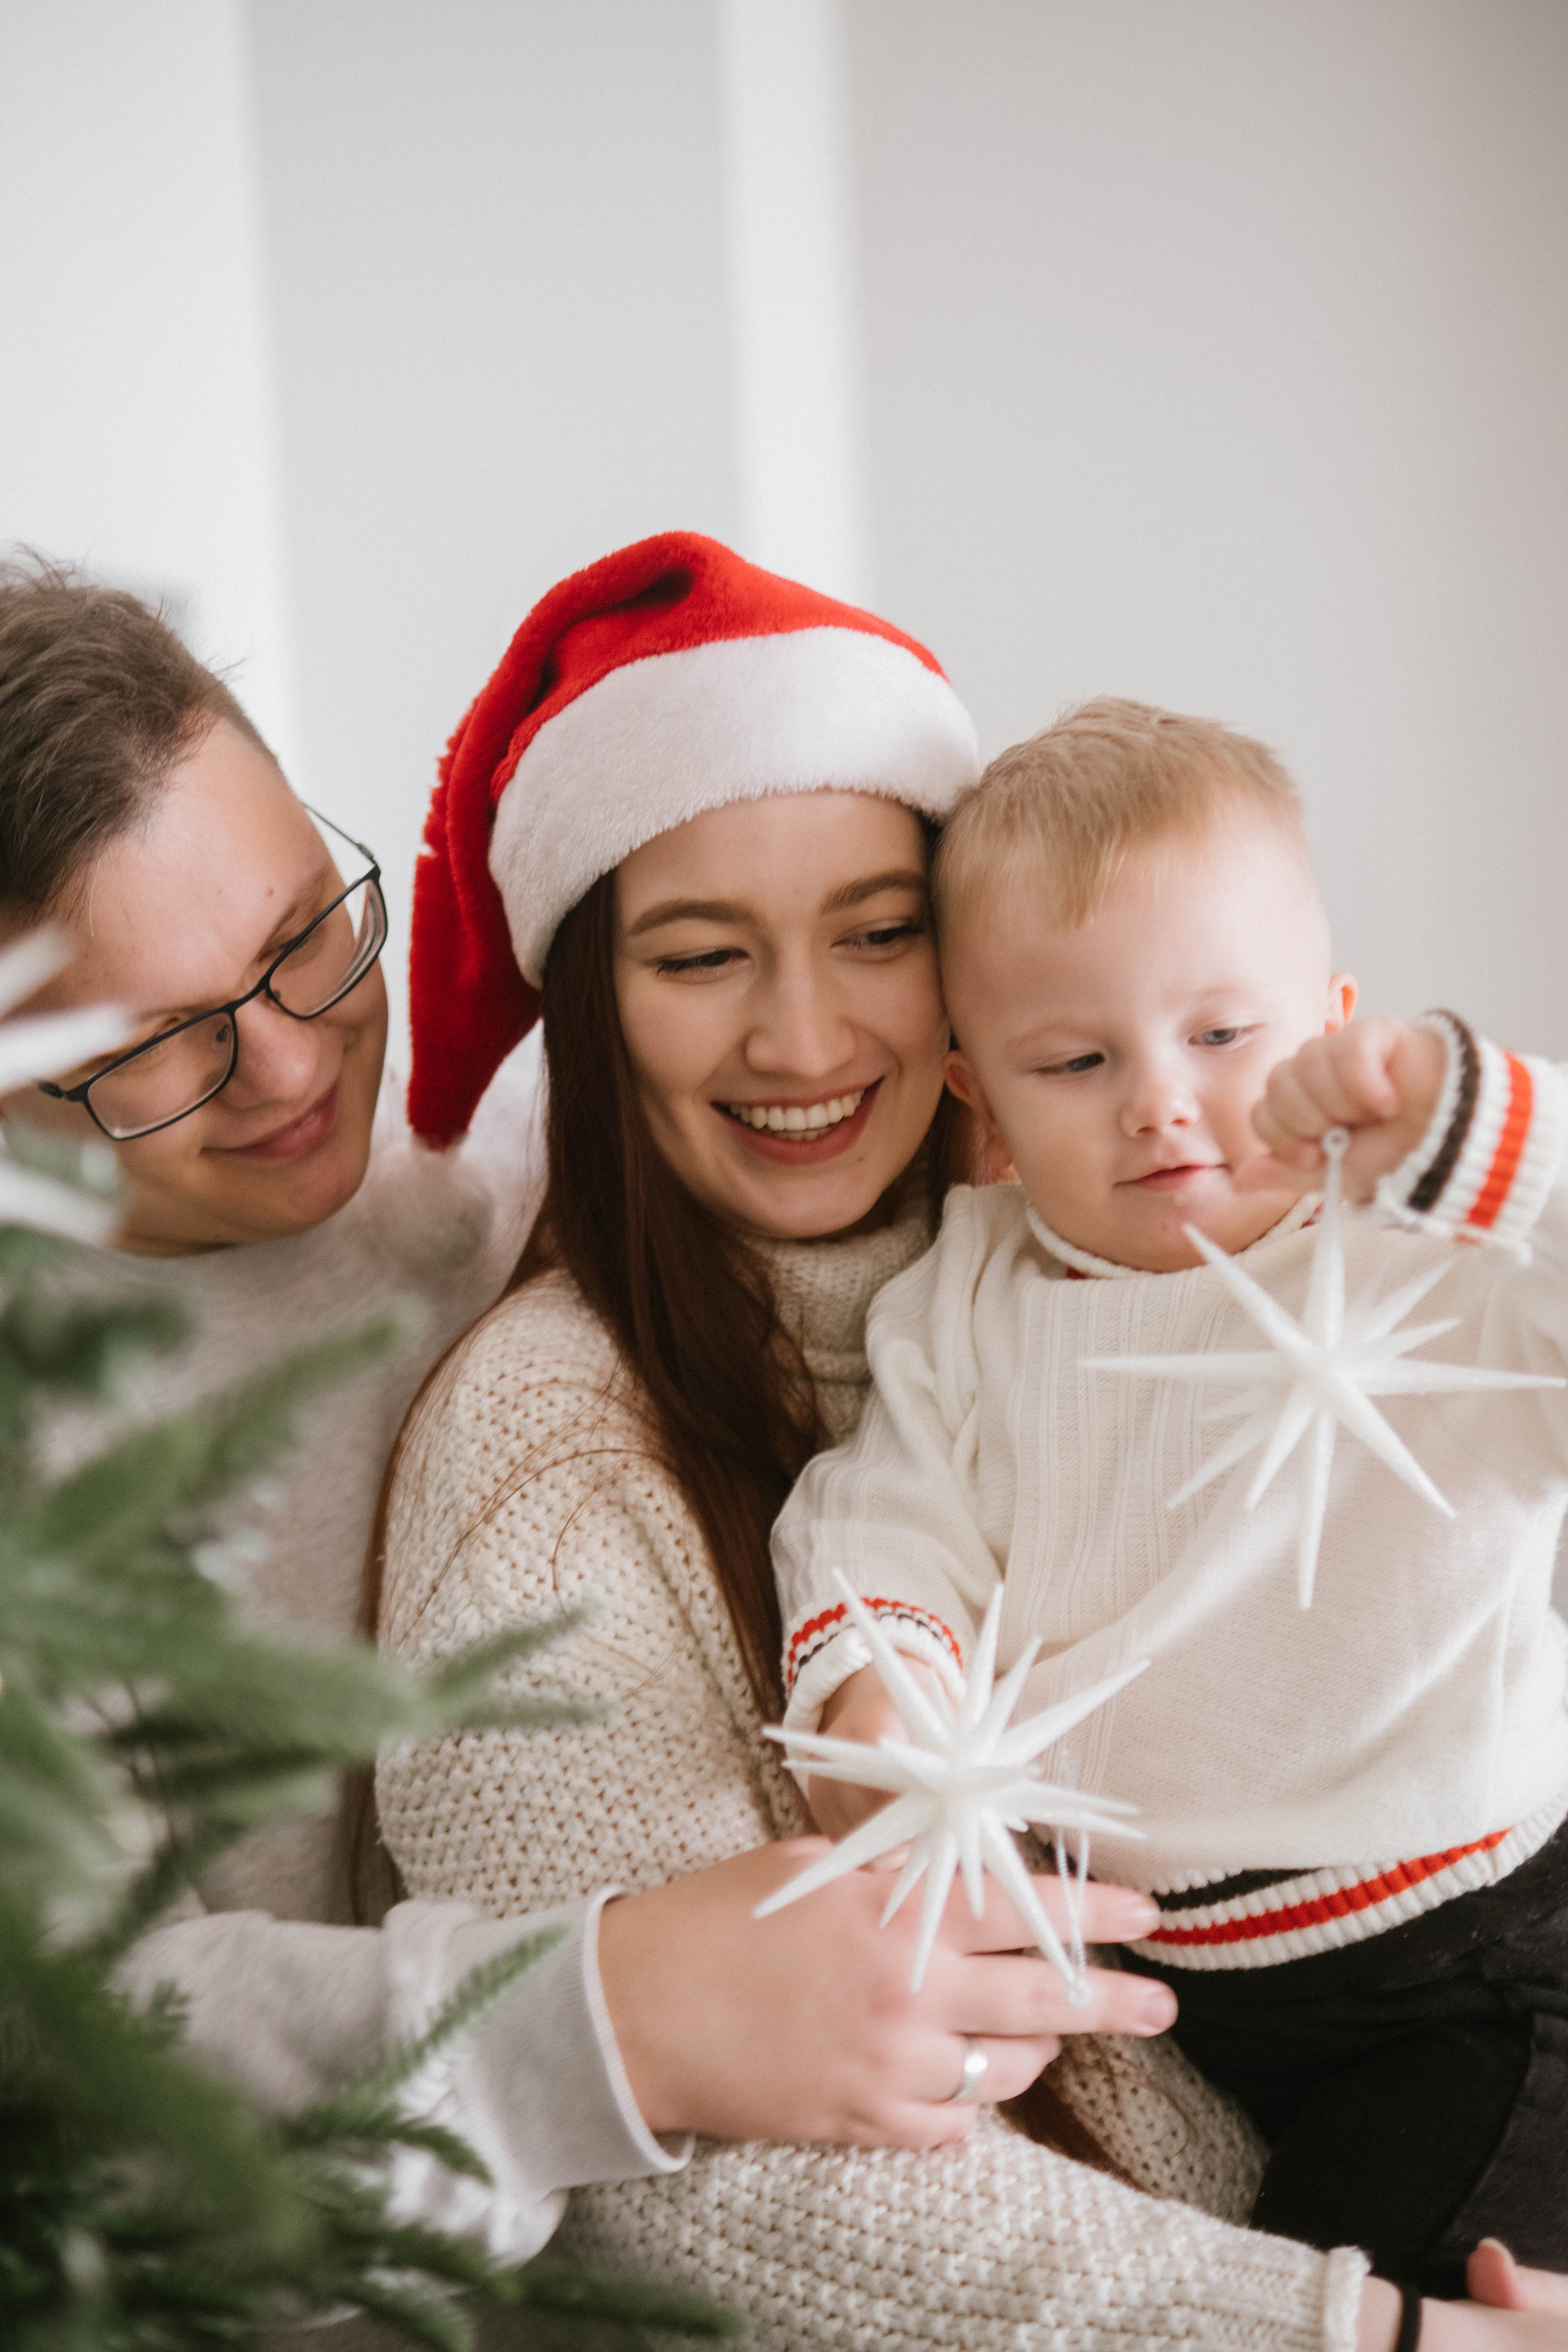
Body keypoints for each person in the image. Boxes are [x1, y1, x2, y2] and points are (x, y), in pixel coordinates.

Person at [372, 536, 1561, 2351]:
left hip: (1477, 1943)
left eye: (878, 932)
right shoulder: (568, 1443)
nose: (805, 1029)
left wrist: (1477, 1143)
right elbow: (694, 2168)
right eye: (700, 955)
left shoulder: (1298, 1238)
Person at [0, 558, 1167, 2281]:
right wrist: (617, 2010)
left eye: (302, 936)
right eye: (161, 1042)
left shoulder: (503, 1168)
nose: (290, 1067)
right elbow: (75, 2050)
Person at [771, 698, 1568, 2315]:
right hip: (1205, 1995)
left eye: (1224, 1036)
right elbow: (889, 1519)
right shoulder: (972, 1301)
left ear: (1335, 1022)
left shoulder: (1419, 1255)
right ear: (975, 1104)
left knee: (1332, 2295)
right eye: (1077, 1060)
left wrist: (1483, 1144)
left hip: (1481, 1960)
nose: (1161, 1104)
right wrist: (884, 1689)